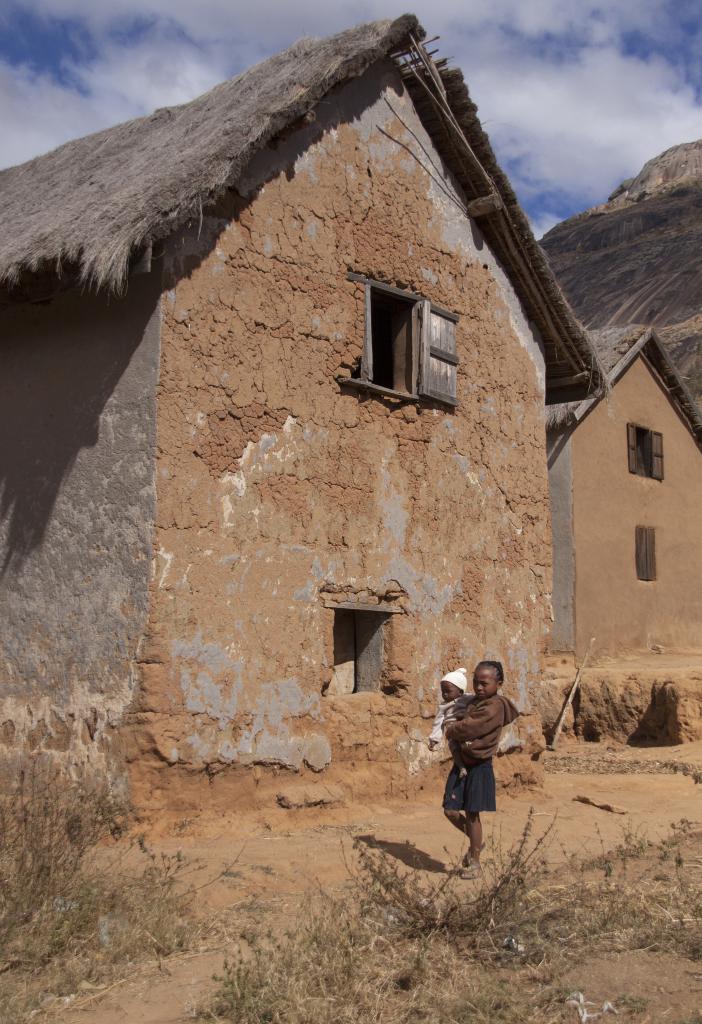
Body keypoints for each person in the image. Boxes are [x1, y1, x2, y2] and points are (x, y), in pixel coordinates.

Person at [443, 660, 519, 879]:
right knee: (450, 810)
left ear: (499, 683)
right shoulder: (473, 702)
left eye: (484, 683)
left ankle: (475, 863)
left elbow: (469, 728)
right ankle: (477, 842)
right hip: (462, 763)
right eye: (476, 682)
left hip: (479, 765)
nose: (479, 687)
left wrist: (451, 728)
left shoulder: (494, 706)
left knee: (472, 813)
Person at [427, 667, 473, 768]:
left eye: (448, 691)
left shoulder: (467, 698)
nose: (445, 694)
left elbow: (478, 701)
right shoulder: (443, 706)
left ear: (460, 692)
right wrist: (434, 739)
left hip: (465, 730)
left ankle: (471, 761)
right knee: (453, 748)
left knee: (469, 745)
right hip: (452, 732)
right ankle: (461, 767)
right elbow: (438, 722)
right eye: (443, 691)